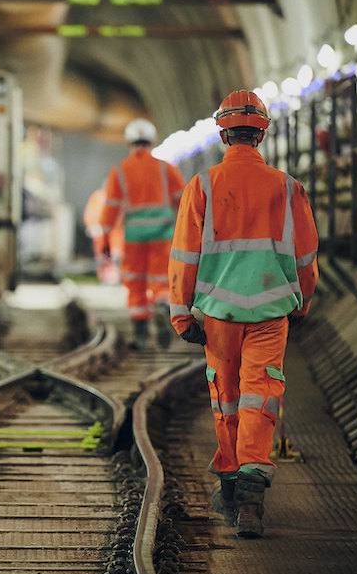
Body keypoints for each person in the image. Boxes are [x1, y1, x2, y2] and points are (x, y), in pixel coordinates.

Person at [167, 90, 318, 538]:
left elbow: (183, 257)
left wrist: (181, 315)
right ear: (262, 134)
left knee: (227, 398)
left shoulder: (203, 186)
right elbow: (306, 255)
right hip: (271, 312)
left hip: (218, 315)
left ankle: (231, 484)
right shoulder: (288, 187)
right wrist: (302, 302)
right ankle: (251, 493)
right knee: (262, 394)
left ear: (222, 133)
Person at [101, 118, 185, 349]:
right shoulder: (165, 168)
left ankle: (140, 335)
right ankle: (162, 307)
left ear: (129, 143)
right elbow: (183, 201)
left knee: (135, 282)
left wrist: (106, 239)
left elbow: (111, 207)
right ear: (152, 141)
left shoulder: (120, 170)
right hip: (163, 235)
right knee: (162, 281)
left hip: (134, 237)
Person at [82, 186, 123, 284]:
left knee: (115, 256)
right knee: (103, 257)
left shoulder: (118, 196)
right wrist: (92, 225)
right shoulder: (98, 197)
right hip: (101, 234)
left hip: (115, 233)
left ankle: (114, 276)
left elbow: (121, 214)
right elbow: (90, 213)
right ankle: (104, 276)